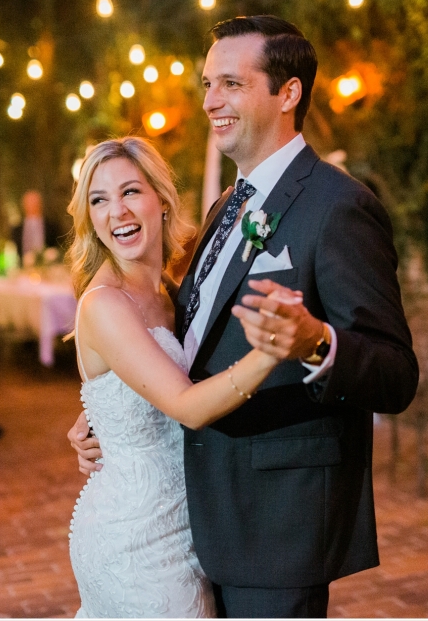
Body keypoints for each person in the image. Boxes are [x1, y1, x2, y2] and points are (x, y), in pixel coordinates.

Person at [70, 15, 419, 618]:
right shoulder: (223, 211)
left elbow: (395, 373)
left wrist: (316, 344)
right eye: (207, 84)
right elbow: (187, 343)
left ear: (288, 94)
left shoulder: (339, 207)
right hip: (192, 522)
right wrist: (105, 413)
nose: (211, 101)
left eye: (231, 83)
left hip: (276, 520)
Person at [66, 137, 290, 617]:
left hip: (192, 525)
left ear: (161, 200)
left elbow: (133, 389)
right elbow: (186, 406)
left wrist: (93, 420)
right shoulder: (103, 304)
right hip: (135, 542)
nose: (117, 212)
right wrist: (273, 351)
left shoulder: (173, 291)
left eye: (130, 192)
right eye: (98, 200)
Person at [10, 189, 62, 261]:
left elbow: (58, 247)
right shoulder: (17, 230)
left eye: (35, 202)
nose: (32, 205)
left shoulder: (51, 226)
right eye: (29, 202)